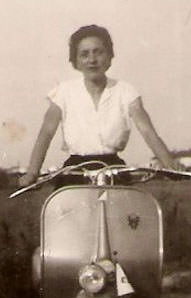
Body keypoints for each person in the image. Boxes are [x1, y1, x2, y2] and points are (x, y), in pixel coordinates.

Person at [19, 24, 177, 187]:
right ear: (76, 61)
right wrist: (32, 172)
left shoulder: (126, 91)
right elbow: (46, 133)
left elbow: (147, 130)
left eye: (98, 52)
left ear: (109, 57)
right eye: (84, 54)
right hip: (75, 172)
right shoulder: (63, 92)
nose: (92, 60)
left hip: (113, 169)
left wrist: (169, 163)